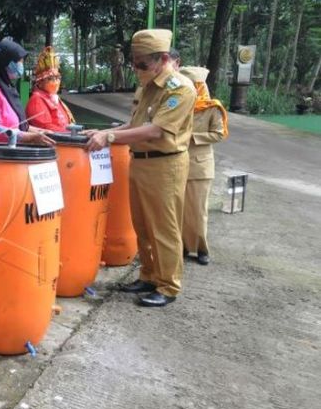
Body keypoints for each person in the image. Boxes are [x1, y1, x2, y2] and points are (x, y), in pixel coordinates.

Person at [84, 29, 196, 307]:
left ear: (163, 59)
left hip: (165, 165)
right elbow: (134, 126)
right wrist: (101, 132)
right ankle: (148, 274)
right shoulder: (146, 87)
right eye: (133, 63)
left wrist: (110, 138)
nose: (136, 69)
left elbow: (155, 130)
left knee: (164, 227)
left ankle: (168, 285)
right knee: (142, 225)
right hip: (140, 163)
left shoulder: (180, 88)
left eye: (142, 64)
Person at [179, 66, 229, 265]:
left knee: (198, 211)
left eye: (194, 85)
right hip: (177, 163)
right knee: (179, 211)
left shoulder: (212, 108)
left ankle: (201, 249)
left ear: (200, 86)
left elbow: (219, 134)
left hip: (200, 167)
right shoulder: (179, 105)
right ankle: (182, 246)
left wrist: (191, 137)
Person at [0, 38, 54, 145]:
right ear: (5, 62)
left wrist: (41, 132)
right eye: (18, 61)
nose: (21, 65)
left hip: (8, 155)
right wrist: (28, 137)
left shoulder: (7, 88)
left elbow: (19, 126)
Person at [26, 46, 75, 132]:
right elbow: (46, 128)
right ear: (40, 82)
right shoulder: (37, 100)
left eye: (57, 78)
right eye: (51, 78)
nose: (56, 82)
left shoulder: (54, 97)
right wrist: (71, 133)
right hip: (54, 142)